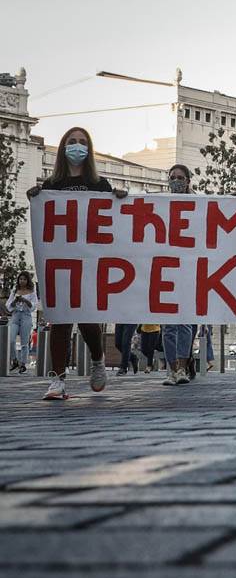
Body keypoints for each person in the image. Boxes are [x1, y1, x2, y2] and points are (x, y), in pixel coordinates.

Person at [26, 127, 127, 400]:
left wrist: (118, 199)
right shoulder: (51, 186)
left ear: (89, 149)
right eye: (72, 141)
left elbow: (113, 220)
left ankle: (97, 360)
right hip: (61, 262)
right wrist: (36, 198)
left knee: (86, 319)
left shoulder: (100, 184)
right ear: (63, 147)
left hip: (90, 262)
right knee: (59, 319)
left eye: (82, 142)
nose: (77, 146)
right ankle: (57, 380)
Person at [159, 165, 198, 386]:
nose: (176, 181)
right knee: (168, 326)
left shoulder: (199, 204)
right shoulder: (161, 203)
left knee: (184, 322)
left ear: (188, 180)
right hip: (166, 270)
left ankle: (182, 367)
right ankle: (172, 369)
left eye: (180, 178)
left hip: (190, 270)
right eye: (172, 177)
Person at [6, 272, 37, 374]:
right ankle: (14, 360)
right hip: (15, 315)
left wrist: (25, 300)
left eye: (24, 279)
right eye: (20, 279)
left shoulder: (32, 291)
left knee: (24, 342)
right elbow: (8, 306)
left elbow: (33, 306)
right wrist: (15, 301)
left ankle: (23, 364)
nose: (22, 281)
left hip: (26, 316)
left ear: (27, 280)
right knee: (11, 340)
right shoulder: (15, 290)